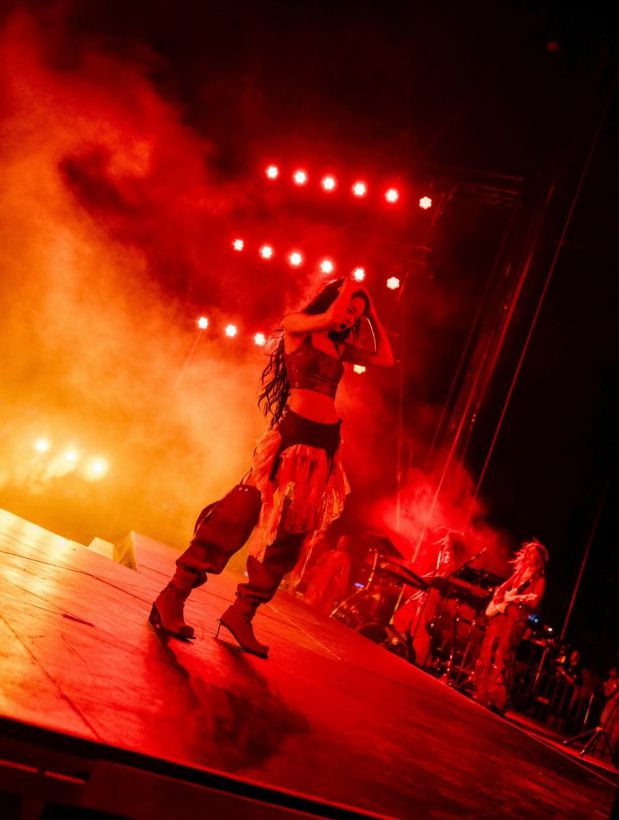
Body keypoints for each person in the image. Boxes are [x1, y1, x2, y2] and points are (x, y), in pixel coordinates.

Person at [150, 278, 394, 657]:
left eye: (356, 316)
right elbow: (330, 316)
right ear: (334, 300)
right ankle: (174, 594)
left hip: (324, 446)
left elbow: (385, 358)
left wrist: (371, 312)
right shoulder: (298, 326)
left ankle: (242, 612)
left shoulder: (340, 346)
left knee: (290, 536)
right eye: (348, 309)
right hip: (290, 438)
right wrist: (350, 289)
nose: (349, 319)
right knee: (238, 515)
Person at [473, 539, 548, 714]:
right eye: (528, 552)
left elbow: (534, 601)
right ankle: (481, 693)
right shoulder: (519, 572)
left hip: (515, 620)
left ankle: (497, 700)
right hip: (500, 616)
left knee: (503, 656)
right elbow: (503, 587)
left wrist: (517, 600)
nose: (529, 555)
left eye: (533, 553)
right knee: (487, 651)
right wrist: (499, 594)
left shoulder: (539, 580)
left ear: (539, 559)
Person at [392, 529, 468, 668]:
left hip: (433, 596)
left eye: (448, 541)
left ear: (453, 545)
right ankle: (406, 647)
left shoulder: (452, 562)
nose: (445, 543)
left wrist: (423, 578)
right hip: (426, 592)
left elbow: (441, 580)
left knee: (418, 624)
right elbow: (434, 575)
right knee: (405, 614)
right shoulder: (444, 557)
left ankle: (422, 661)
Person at [303, 534, 353, 614]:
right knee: (306, 606)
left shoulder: (345, 559)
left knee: (317, 611)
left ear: (346, 545)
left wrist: (335, 583)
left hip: (327, 588)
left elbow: (343, 577)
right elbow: (319, 565)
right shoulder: (331, 553)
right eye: (340, 541)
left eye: (343, 542)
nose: (340, 543)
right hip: (316, 584)